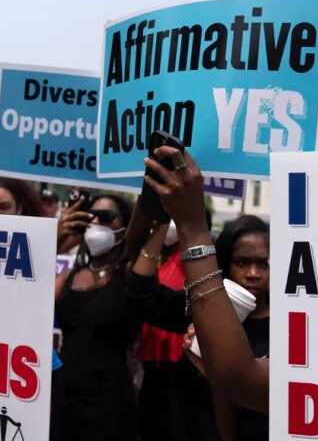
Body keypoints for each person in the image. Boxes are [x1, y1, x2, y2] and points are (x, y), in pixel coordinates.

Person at [142, 146, 269, 416]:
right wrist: (158, 217)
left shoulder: (293, 327)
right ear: (224, 262)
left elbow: (242, 383)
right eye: (242, 262)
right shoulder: (198, 307)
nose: (254, 274)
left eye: (264, 264)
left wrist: (193, 226)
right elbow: (140, 297)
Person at [51, 194, 140, 441]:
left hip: (108, 400)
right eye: (92, 216)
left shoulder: (129, 274)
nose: (97, 222)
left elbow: (141, 237)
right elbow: (28, 295)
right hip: (65, 394)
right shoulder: (68, 276)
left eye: (107, 217)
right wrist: (58, 241)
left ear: (124, 225)